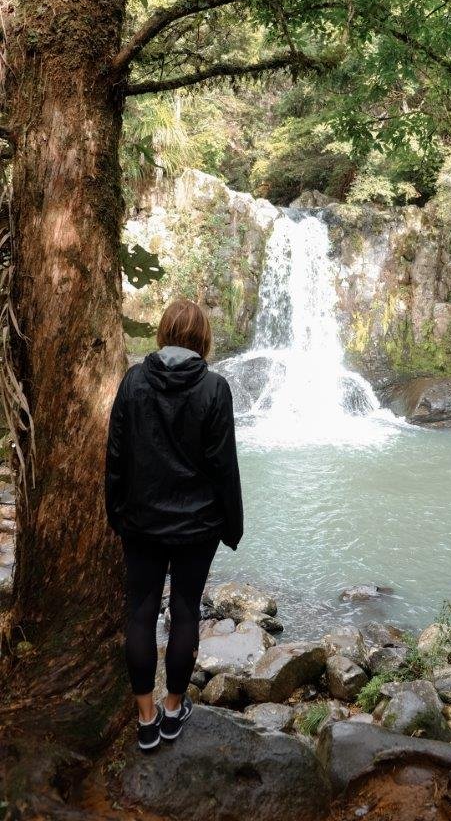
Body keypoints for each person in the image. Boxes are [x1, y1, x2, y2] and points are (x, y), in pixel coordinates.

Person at [105, 298, 243, 750]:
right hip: (197, 527)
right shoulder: (214, 388)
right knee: (185, 611)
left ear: (163, 333)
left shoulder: (134, 382)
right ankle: (171, 709)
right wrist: (232, 525)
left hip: (142, 522)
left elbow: (117, 457)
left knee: (141, 613)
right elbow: (225, 466)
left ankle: (144, 720)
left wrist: (115, 511)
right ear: (203, 339)